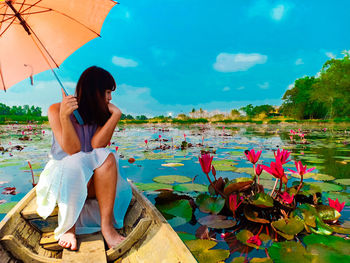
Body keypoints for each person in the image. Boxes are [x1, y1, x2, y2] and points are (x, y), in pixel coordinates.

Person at [36, 66, 132, 251]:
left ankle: (107, 227)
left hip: (95, 183)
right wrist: (65, 116)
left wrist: (115, 116)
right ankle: (69, 228)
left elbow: (97, 145)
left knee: (107, 156)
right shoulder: (55, 110)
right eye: (107, 92)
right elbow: (73, 150)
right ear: (94, 91)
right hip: (65, 177)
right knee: (76, 160)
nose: (110, 98)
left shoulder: (100, 114)